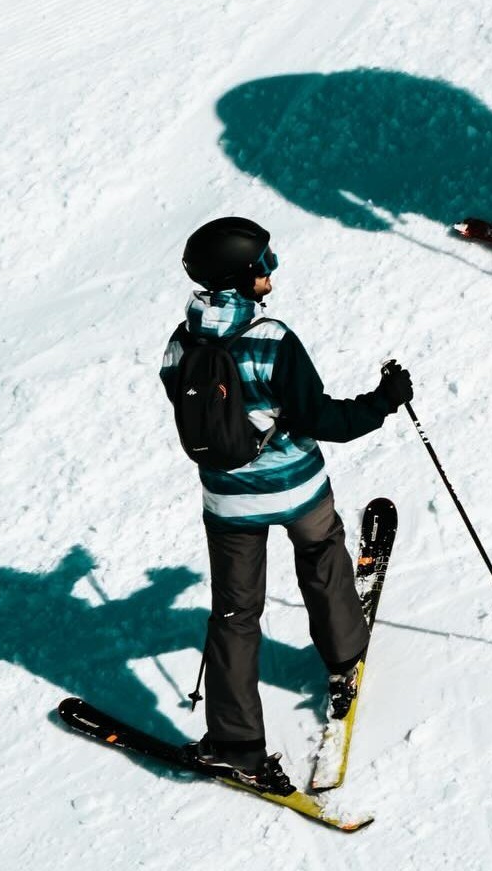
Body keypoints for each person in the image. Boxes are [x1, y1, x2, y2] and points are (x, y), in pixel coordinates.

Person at [160, 217, 413, 793]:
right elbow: (321, 419)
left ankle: (235, 743)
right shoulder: (272, 340)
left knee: (234, 614)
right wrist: (385, 401)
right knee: (322, 555)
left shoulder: (180, 344)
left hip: (227, 503)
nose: (270, 273)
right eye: (262, 266)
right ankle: (345, 656)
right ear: (241, 277)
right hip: (299, 489)